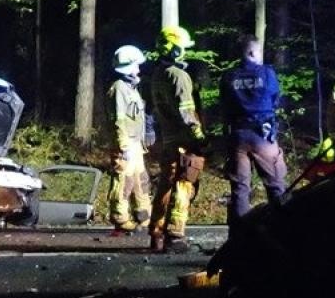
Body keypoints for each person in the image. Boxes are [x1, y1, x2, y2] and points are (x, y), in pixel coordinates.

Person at [147, 25, 206, 254]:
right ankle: (175, 234)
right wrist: (200, 138)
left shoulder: (157, 74)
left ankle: (157, 232)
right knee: (183, 184)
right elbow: (187, 112)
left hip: (168, 138)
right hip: (184, 140)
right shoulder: (179, 76)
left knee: (166, 184)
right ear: (174, 49)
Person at [219, 35, 288, 225]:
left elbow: (223, 105)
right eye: (259, 52)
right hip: (262, 135)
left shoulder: (228, 76)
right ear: (251, 52)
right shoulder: (267, 74)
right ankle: (281, 227)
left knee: (240, 188)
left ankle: (239, 232)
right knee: (276, 184)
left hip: (238, 135)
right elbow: (275, 99)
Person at [106, 45, 152, 236]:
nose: (138, 69)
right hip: (126, 144)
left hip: (135, 144)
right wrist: (123, 145)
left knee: (141, 180)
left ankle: (143, 216)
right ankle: (121, 218)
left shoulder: (131, 89)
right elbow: (119, 120)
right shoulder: (119, 88)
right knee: (124, 181)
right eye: (136, 65)